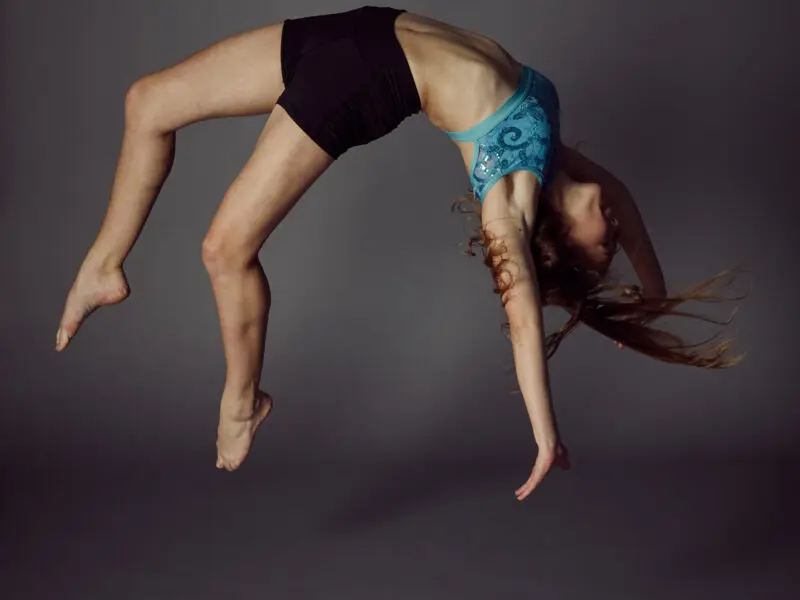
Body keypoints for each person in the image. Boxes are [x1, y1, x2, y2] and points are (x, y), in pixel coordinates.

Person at [53, 6, 744, 499]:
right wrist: (649, 290)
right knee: (146, 101)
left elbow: (525, 317)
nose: (614, 232)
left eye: (606, 250)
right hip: (362, 29)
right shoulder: (550, 149)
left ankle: (241, 401)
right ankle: (104, 264)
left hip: (363, 83)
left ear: (555, 243)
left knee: (223, 249)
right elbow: (620, 195)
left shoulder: (510, 201)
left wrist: (545, 435)